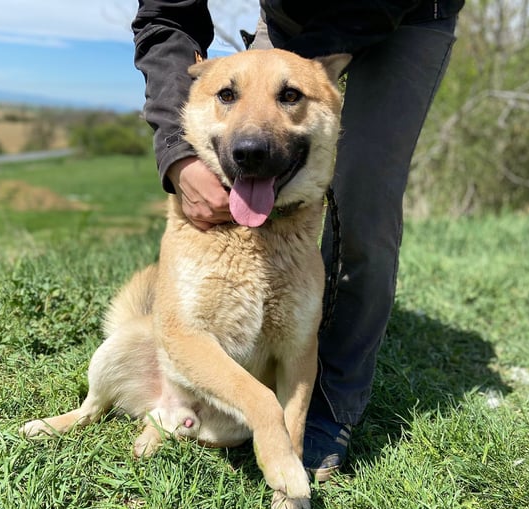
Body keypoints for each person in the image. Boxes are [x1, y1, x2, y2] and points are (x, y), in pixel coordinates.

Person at [132, 0, 464, 481]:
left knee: (363, 198)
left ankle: (332, 403)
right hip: (295, 16)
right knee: (232, 156)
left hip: (409, 12)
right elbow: (167, 16)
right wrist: (176, 153)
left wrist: (298, 76)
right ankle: (231, 375)